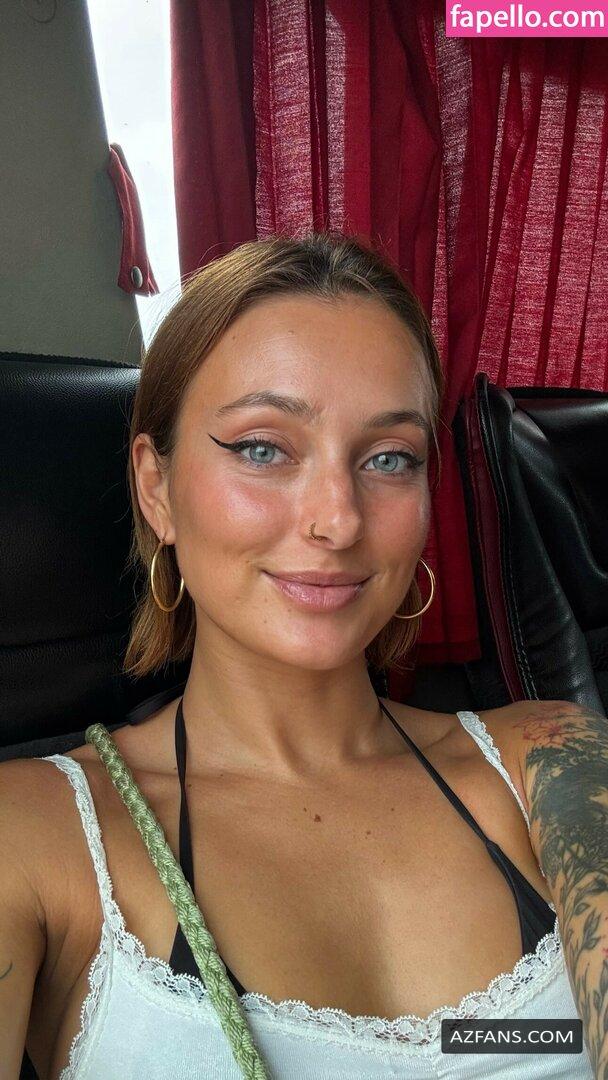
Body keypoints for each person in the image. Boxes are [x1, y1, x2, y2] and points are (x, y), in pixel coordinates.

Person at [1, 232, 593, 1078]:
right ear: (156, 487)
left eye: (388, 458)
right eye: (263, 448)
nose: (339, 520)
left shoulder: (548, 760)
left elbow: (502, 1047)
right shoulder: (32, 834)